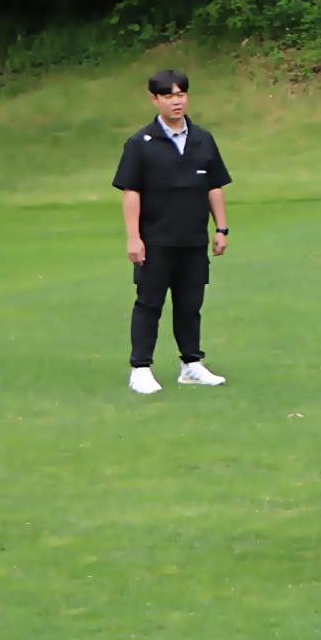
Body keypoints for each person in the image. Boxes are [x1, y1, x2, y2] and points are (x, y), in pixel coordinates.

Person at [114, 67, 233, 395]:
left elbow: (214, 186)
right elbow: (131, 192)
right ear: (155, 99)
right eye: (168, 96)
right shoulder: (140, 143)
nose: (176, 101)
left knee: (190, 304)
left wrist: (221, 228)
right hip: (156, 240)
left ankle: (191, 365)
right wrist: (134, 237)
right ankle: (140, 368)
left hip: (193, 239)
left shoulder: (203, 139)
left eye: (181, 94)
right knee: (149, 304)